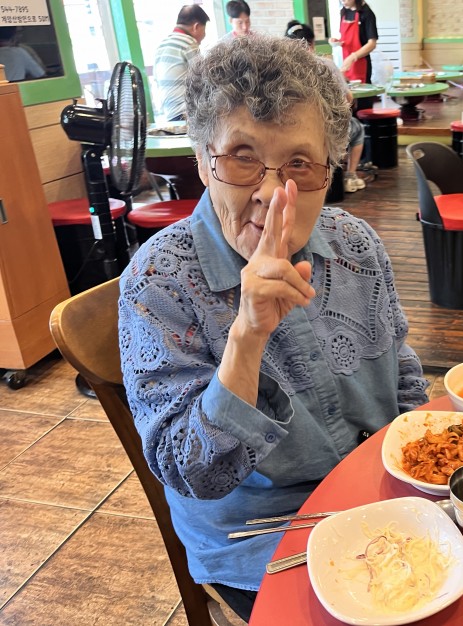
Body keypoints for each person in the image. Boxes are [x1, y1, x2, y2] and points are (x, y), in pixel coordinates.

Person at [118, 34, 429, 621]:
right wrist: (247, 335)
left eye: (299, 164)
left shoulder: (356, 245)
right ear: (203, 159)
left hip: (384, 494)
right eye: (242, 156)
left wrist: (421, 462)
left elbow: (403, 369)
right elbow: (189, 471)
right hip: (261, 536)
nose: (269, 192)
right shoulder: (160, 281)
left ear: (329, 171)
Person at [287, 20, 367, 192]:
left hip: (290, 131)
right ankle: (350, 175)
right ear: (311, 45)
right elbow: (348, 98)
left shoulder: (283, 70)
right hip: (324, 129)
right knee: (358, 128)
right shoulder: (326, 65)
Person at [153, 5, 209, 122]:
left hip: (169, 115)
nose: (204, 35)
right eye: (204, 30)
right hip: (185, 114)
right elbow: (204, 79)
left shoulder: (161, 45)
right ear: (196, 27)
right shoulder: (188, 43)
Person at [329, 0, 377, 83]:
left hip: (361, 65)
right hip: (346, 62)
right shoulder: (344, 12)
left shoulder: (367, 13)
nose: (342, 1)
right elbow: (346, 37)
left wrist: (353, 57)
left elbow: (372, 44)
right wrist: (337, 41)